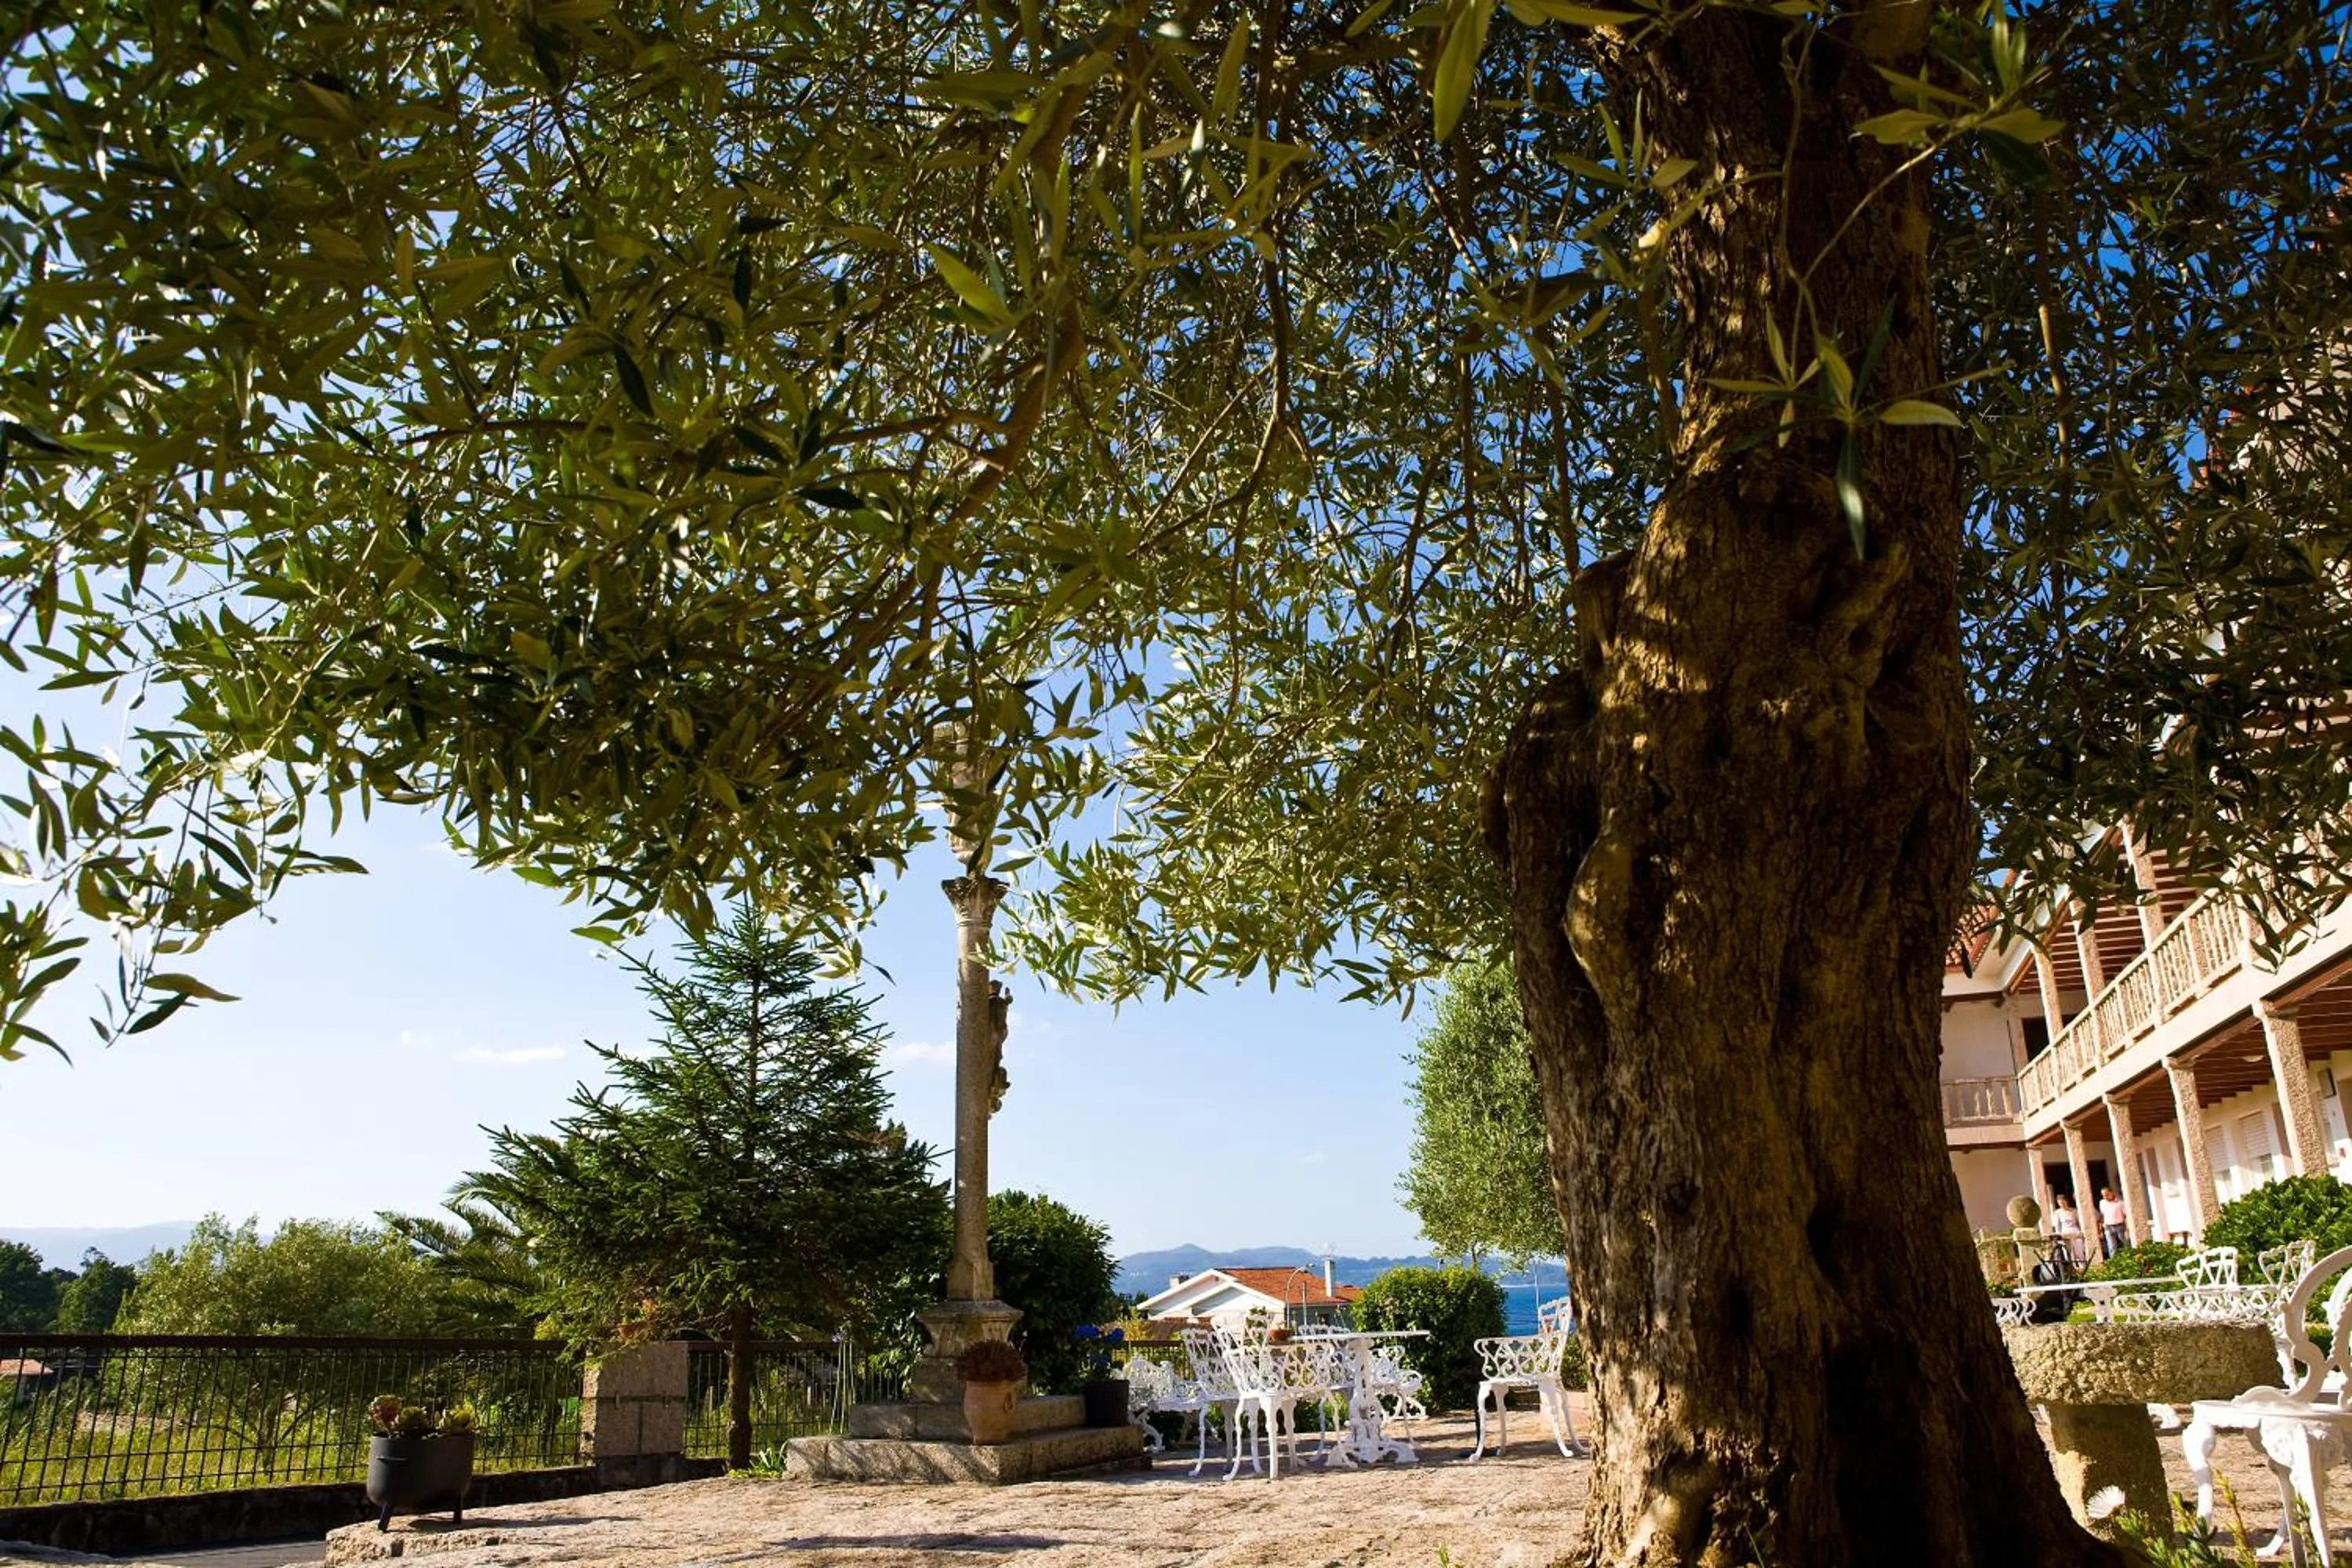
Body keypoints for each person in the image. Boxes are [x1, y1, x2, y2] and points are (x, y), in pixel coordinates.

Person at [2049, 1192, 2084, 1264]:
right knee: (2068, 1253)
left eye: (2063, 1202)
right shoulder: (2057, 1213)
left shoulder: (2074, 1211)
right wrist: (2059, 1237)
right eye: (2060, 1203)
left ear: (2066, 1202)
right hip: (2065, 1232)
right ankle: (2072, 1268)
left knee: (2079, 1251)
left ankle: (2082, 1266)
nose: (2062, 1205)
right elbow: (2057, 1226)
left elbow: (2079, 1222)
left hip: (2075, 1231)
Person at [2098, 1187, 2129, 1259]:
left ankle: (2127, 1259)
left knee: (2124, 1245)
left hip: (2119, 1226)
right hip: (2108, 1227)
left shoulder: (2120, 1203)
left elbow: (2126, 1215)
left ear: (2112, 1193)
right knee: (2112, 1247)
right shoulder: (2102, 1203)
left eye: (2106, 1194)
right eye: (2103, 1195)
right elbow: (2102, 1215)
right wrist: (2101, 1227)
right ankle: (2114, 1263)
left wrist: (2127, 1227)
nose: (2105, 1197)